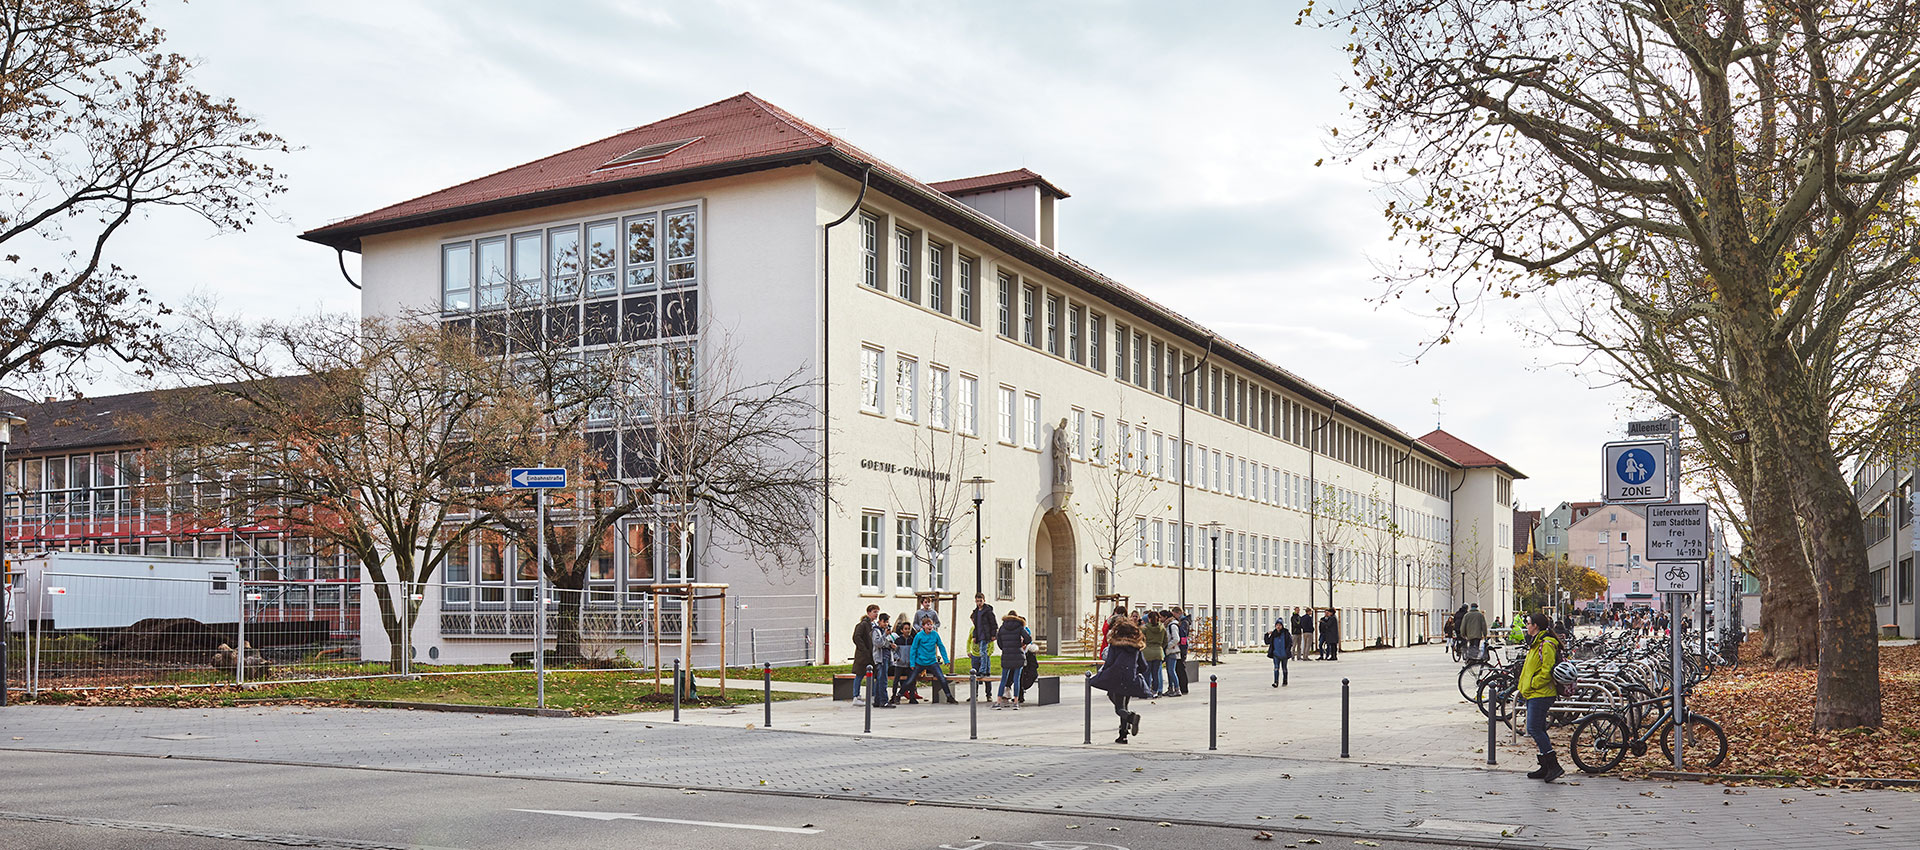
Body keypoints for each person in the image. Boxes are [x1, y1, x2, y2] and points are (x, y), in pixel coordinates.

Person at [1088, 619, 1151, 743]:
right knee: (1124, 705)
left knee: (1119, 708)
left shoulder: (1115, 645)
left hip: (1116, 678)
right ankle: (1123, 735)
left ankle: (1131, 718)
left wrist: (1102, 675)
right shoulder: (1136, 647)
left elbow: (1109, 662)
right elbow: (1143, 666)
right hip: (1130, 679)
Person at [1519, 611, 1564, 781]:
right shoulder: (1536, 642)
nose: (1526, 626)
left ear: (1535, 626)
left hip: (1541, 693)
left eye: (1528, 623)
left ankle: (1553, 766)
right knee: (1539, 728)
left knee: (1534, 728)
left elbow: (1547, 671)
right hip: (1534, 693)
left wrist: (1532, 684)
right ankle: (1545, 766)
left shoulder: (1546, 644)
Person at [906, 619, 957, 703]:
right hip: (920, 662)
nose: (929, 626)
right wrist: (912, 662)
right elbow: (913, 649)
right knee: (911, 679)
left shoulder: (935, 634)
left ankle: (949, 696)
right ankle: (898, 695)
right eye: (927, 624)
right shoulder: (919, 635)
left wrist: (946, 659)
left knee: (941, 678)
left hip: (932, 661)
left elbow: (941, 646)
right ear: (923, 626)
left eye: (931, 624)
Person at [994, 610, 1030, 708]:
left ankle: (998, 701)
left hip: (1006, 656)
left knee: (1004, 679)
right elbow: (1028, 639)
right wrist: (1022, 644)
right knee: (1016, 679)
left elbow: (999, 642)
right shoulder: (1019, 627)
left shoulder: (1002, 627)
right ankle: (1016, 702)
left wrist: (1005, 648)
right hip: (1018, 655)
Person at [850, 604, 879, 704]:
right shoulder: (862, 625)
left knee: (873, 675)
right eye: (874, 612)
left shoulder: (874, 625)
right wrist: (865, 650)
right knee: (859, 675)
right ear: (868, 612)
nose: (876, 614)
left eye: (877, 612)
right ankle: (856, 696)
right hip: (863, 656)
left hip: (872, 655)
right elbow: (856, 637)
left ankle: (872, 695)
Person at [890, 619, 920, 703]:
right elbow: (894, 651)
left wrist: (913, 660)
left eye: (908, 629)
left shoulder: (912, 640)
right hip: (900, 664)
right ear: (901, 630)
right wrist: (897, 658)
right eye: (905, 629)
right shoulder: (898, 640)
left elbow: (914, 651)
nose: (907, 630)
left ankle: (912, 697)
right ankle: (893, 696)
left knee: (911, 680)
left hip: (909, 664)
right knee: (896, 680)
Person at [869, 613, 896, 708]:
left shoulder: (885, 631)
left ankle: (877, 701)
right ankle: (883, 701)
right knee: (883, 680)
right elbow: (878, 643)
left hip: (887, 656)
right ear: (880, 621)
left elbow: (886, 643)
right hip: (881, 658)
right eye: (884, 621)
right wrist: (885, 634)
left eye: (887, 621)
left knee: (880, 679)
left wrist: (891, 645)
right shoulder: (876, 631)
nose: (886, 624)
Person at [970, 593, 997, 677]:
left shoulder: (988, 612)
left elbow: (993, 624)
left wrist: (993, 634)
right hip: (980, 634)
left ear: (984, 601)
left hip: (986, 634)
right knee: (984, 653)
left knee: (983, 652)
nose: (979, 603)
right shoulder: (976, 612)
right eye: (977, 601)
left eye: (980, 601)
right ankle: (987, 670)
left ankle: (982, 670)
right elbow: (976, 626)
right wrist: (975, 636)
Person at [1141, 611, 1167, 697]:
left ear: (1149, 619)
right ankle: (1155, 691)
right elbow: (1165, 641)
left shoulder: (1145, 629)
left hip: (1147, 652)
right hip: (1158, 652)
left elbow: (1141, 640)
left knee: (1147, 673)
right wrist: (1159, 647)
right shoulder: (1163, 628)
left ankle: (1146, 691)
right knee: (1156, 674)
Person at [1264, 616, 1292, 687]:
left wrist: (1287, 650)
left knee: (1284, 668)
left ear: (1282, 626)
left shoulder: (1286, 633)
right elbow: (1267, 642)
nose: (1278, 627)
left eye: (1279, 625)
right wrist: (1267, 634)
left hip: (1284, 654)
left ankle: (1285, 681)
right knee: (1276, 668)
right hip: (1276, 654)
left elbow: (1290, 642)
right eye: (1277, 625)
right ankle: (1276, 682)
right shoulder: (1274, 634)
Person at [1160, 611, 1182, 697]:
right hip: (1169, 651)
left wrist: (1167, 646)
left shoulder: (1172, 625)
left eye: (1161, 617)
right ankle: (1171, 689)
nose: (1160, 619)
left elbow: (1176, 639)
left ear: (1165, 617)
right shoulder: (1168, 625)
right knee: (1169, 671)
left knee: (1171, 670)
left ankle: (1177, 689)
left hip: (1172, 651)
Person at [1173, 606, 1194, 694]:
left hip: (1182, 647)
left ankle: (1184, 687)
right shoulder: (1183, 621)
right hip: (1183, 646)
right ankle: (1182, 687)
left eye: (1174, 614)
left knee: (1181, 667)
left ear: (1179, 613)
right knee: (1179, 667)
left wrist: (1181, 645)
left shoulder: (1184, 622)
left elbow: (1183, 635)